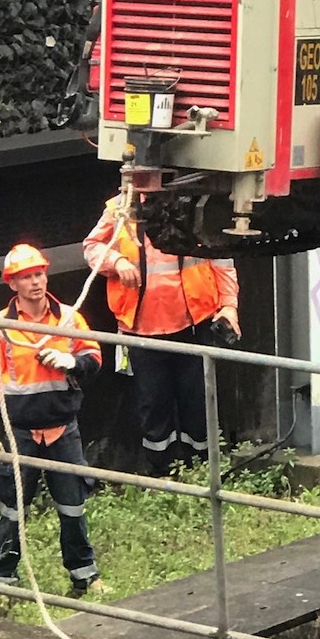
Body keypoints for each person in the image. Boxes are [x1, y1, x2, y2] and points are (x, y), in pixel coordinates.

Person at [0, 243, 106, 597]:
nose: (35, 282)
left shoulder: (69, 318)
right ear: (12, 284)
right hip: (21, 432)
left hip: (63, 429)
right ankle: (3, 581)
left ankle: (84, 576)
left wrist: (72, 363)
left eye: (39, 274)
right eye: (26, 277)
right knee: (13, 510)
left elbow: (93, 360)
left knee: (73, 505)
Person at [83, 195, 240, 476]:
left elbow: (221, 255)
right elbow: (92, 248)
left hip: (194, 326)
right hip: (142, 333)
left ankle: (204, 473)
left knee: (199, 404)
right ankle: (162, 474)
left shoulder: (194, 202)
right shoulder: (118, 209)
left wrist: (229, 306)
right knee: (153, 407)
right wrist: (117, 261)